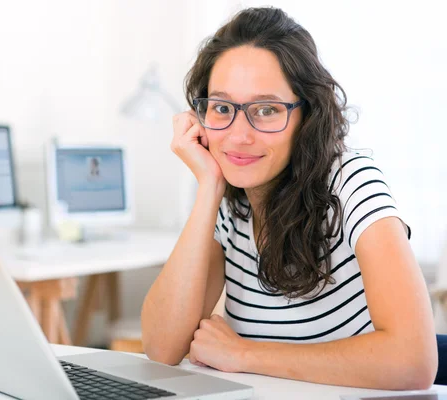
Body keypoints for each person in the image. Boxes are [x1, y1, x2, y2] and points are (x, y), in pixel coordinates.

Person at [141, 7, 438, 390]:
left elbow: (412, 361)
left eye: (266, 110)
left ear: (306, 115)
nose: (239, 135)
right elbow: (162, 346)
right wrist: (209, 187)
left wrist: (245, 354)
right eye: (222, 108)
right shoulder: (229, 202)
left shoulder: (351, 181)